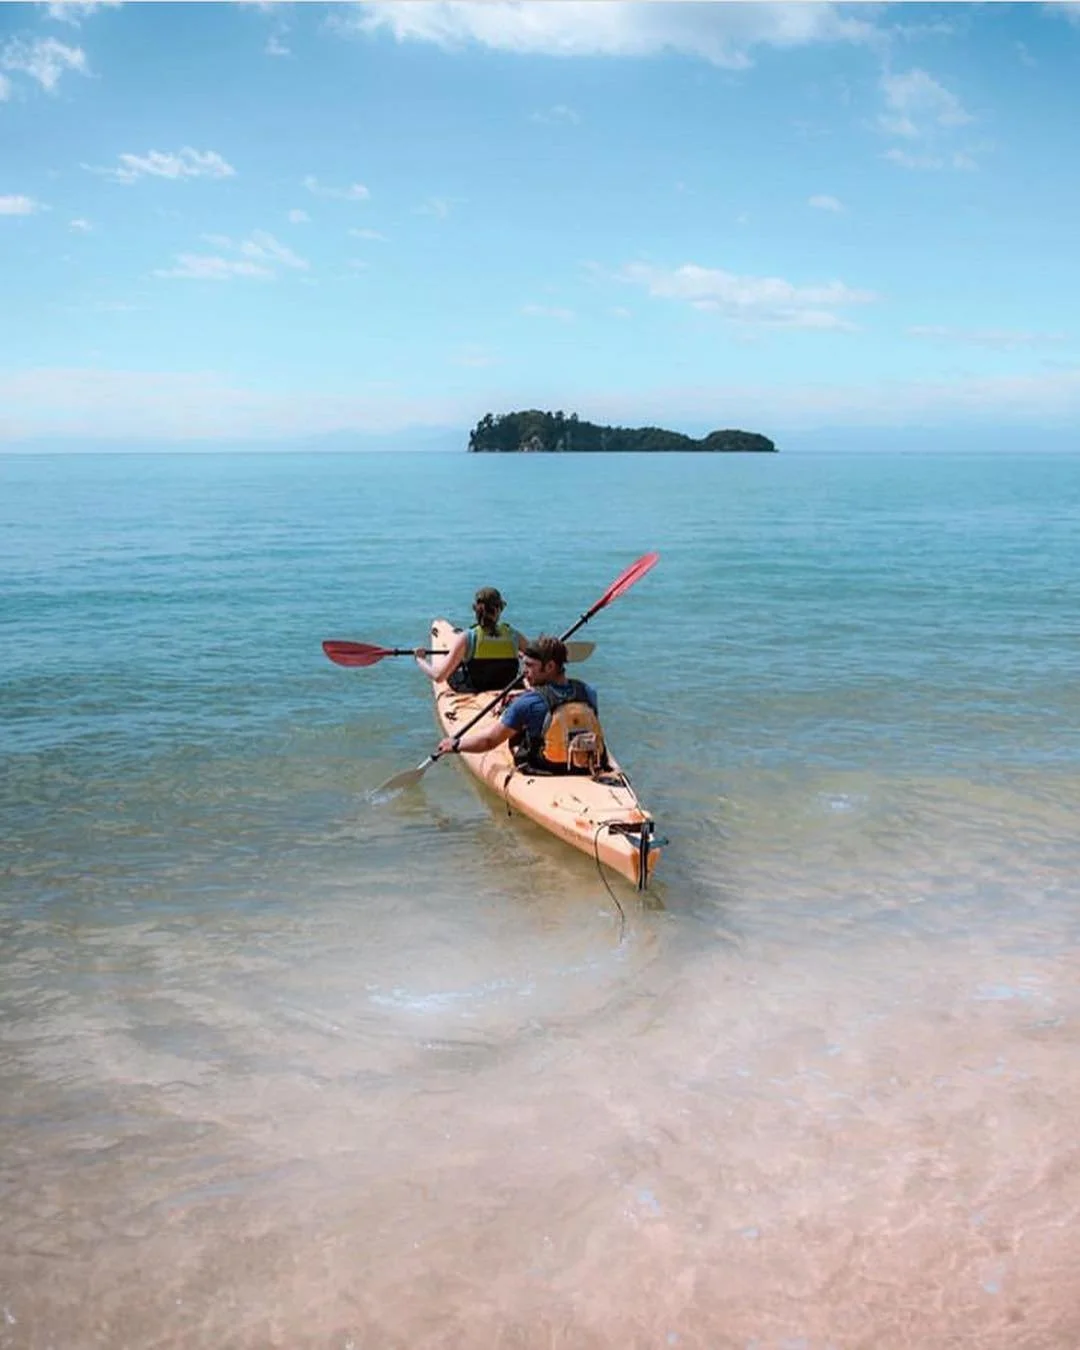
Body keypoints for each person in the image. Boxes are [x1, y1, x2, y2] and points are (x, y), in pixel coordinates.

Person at [436, 635, 607, 775]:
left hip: (546, 768)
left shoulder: (527, 703)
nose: (524, 671)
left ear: (550, 666)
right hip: (585, 765)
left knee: (517, 735)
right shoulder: (587, 691)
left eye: (530, 666)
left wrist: (456, 745)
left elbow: (489, 741)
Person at [415, 586, 528, 693]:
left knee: (453, 672)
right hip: (507, 686)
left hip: (476, 688)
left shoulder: (468, 637)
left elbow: (438, 677)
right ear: (500, 609)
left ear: (475, 609)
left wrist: (420, 660)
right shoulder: (514, 635)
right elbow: (536, 656)